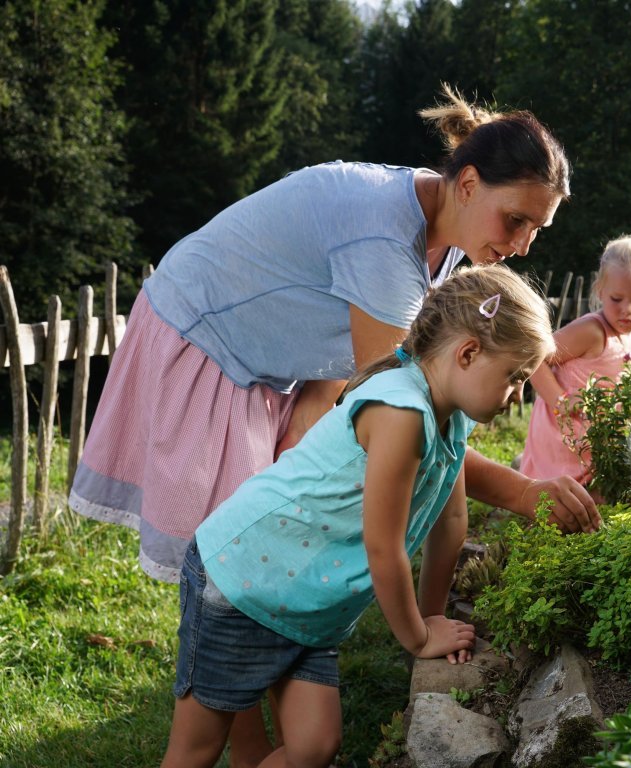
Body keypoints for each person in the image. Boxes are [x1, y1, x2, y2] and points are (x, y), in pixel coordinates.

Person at [68, 84, 598, 767]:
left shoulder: (450, 243)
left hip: (270, 361)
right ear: (468, 184)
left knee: (260, 559)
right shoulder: (385, 241)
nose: (522, 244)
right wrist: (523, 495)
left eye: (536, 231)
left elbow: (425, 448)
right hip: (208, 339)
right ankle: (236, 741)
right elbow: (401, 430)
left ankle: (253, 740)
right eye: (516, 221)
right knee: (234, 568)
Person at [159, 265, 555, 768]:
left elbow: (451, 523)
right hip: (243, 585)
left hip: (305, 604)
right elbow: (383, 546)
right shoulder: (401, 413)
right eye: (516, 378)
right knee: (196, 750)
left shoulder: (448, 417)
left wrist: (431, 619)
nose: (518, 395)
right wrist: (415, 635)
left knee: (314, 747)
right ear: (469, 353)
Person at [520, 235, 631, 488]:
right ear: (600, 290)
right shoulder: (591, 331)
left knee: (605, 496)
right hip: (564, 436)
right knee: (557, 499)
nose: (627, 310)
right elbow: (534, 358)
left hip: (599, 440)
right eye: (616, 299)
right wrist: (561, 402)